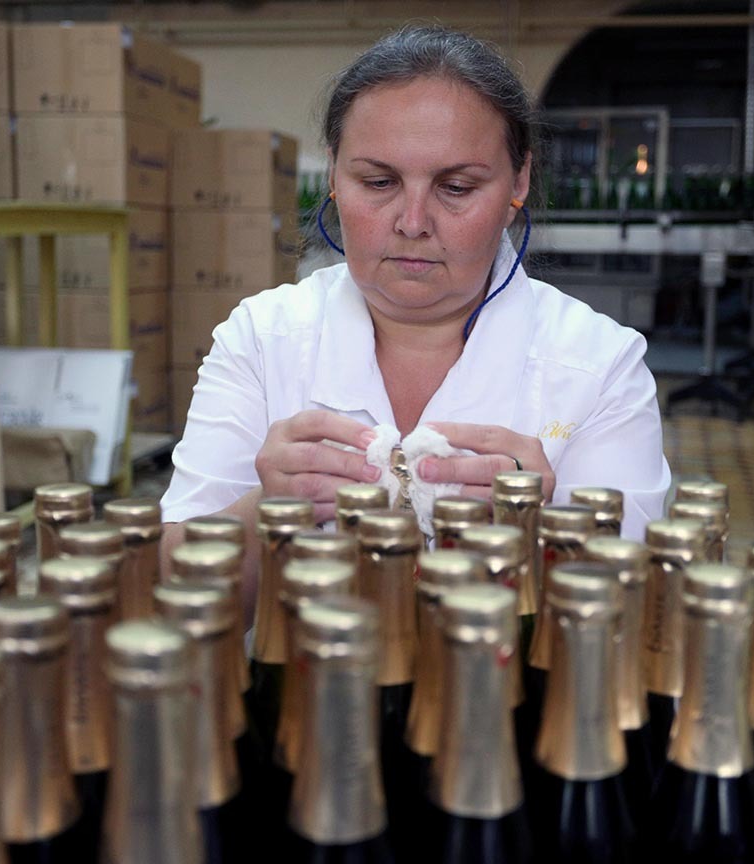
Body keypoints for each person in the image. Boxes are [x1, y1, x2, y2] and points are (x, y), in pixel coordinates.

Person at [159, 25, 671, 618]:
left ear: (520, 182)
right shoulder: (261, 339)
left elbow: (632, 620)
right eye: (378, 182)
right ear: (332, 174)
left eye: (456, 187)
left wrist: (539, 533)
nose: (412, 221)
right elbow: (177, 591)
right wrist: (265, 510)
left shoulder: (599, 367)